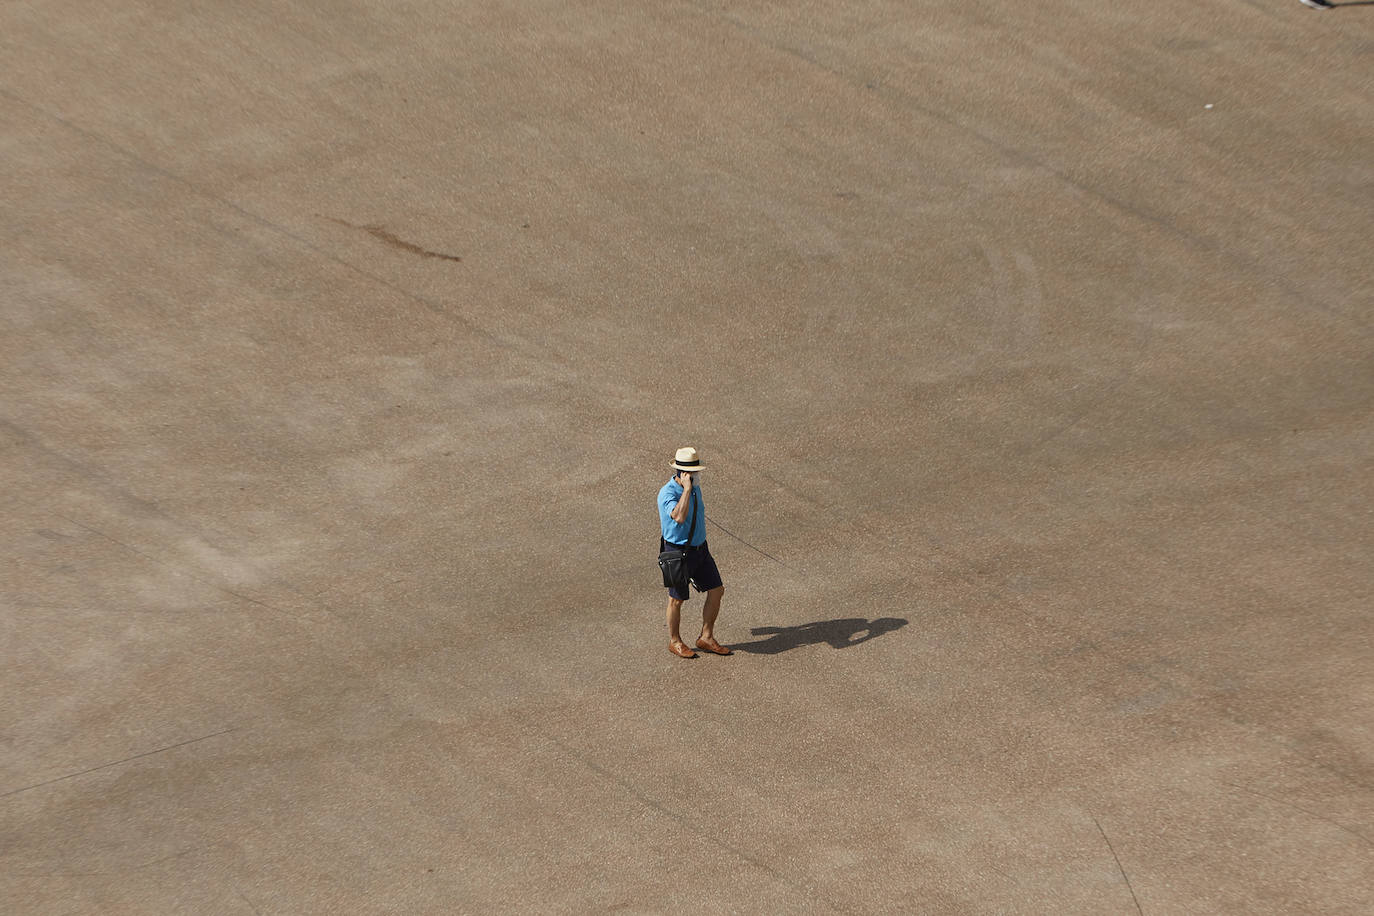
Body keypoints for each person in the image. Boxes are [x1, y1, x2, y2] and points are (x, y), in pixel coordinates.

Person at [657, 446, 730, 659]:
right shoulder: (668, 493)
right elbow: (678, 517)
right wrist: (687, 491)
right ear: (683, 473)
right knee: (676, 600)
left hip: (701, 549)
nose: (698, 475)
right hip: (678, 552)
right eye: (695, 472)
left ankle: (706, 637)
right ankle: (675, 641)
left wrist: (691, 489)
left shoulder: (695, 487)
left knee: (717, 590)